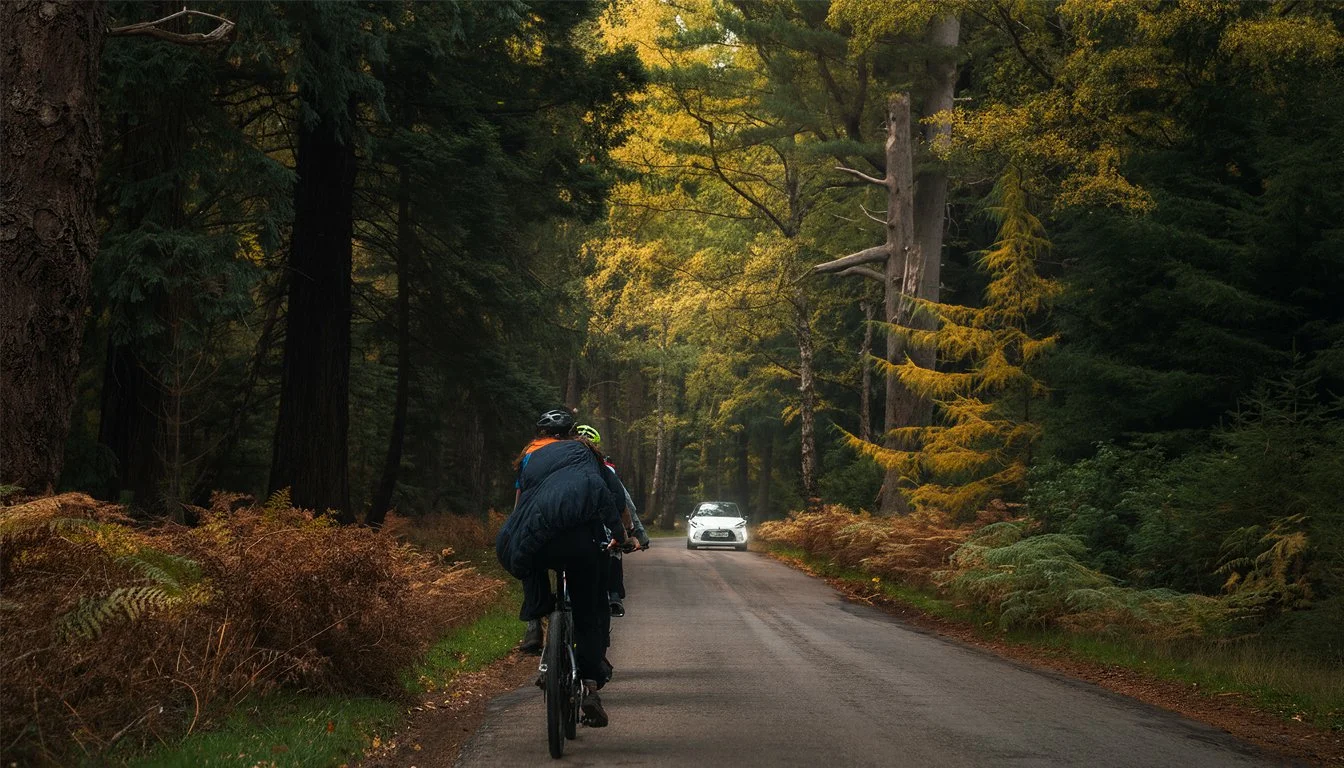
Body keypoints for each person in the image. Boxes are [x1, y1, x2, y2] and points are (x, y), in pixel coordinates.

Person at [496, 408, 627, 727]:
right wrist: (620, 536)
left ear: (539, 433)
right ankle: (591, 686)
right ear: (572, 433)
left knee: (528, 555)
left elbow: (520, 503)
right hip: (582, 545)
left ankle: (536, 616)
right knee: (591, 610)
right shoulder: (588, 453)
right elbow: (610, 498)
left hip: (541, 541)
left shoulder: (529, 454)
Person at [575, 424, 649, 617]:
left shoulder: (555, 465)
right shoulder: (605, 469)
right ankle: (614, 595)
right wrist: (635, 533)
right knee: (614, 547)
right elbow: (624, 502)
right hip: (600, 524)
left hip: (567, 524)